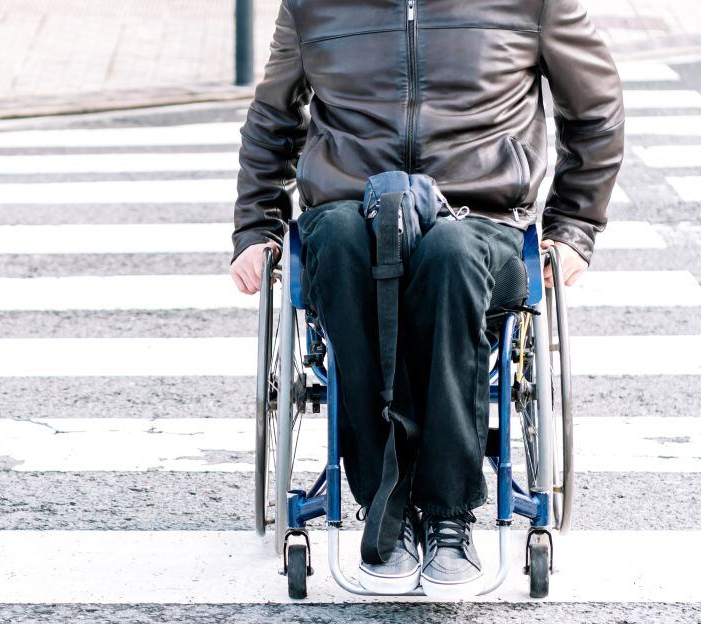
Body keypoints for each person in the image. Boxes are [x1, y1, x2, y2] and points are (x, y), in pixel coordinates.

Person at [230, 0, 624, 598]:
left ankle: (446, 515)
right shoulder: (312, 5)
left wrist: (573, 228)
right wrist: (256, 227)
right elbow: (272, 120)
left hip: (480, 218)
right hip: (349, 213)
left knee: (449, 253)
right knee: (335, 238)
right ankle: (381, 506)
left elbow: (596, 112)